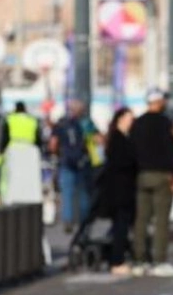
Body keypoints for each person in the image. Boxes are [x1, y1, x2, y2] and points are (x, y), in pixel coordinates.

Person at [130, 89, 173, 278]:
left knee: (141, 219)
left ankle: (139, 260)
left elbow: (132, 149)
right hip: (161, 175)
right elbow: (172, 149)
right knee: (161, 220)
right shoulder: (165, 123)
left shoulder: (137, 123)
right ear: (159, 102)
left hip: (141, 175)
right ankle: (159, 260)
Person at [96, 108, 138, 276]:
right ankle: (116, 260)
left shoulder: (121, 137)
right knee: (120, 226)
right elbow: (121, 163)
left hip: (122, 189)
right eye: (129, 118)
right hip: (119, 191)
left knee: (121, 226)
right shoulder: (118, 139)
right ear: (120, 119)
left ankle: (118, 257)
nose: (131, 121)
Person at [48, 100, 100, 232]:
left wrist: (58, 153)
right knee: (83, 194)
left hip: (66, 162)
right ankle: (84, 222)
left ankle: (68, 221)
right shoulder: (86, 123)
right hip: (83, 162)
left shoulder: (61, 124)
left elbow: (53, 144)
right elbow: (98, 140)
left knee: (67, 193)